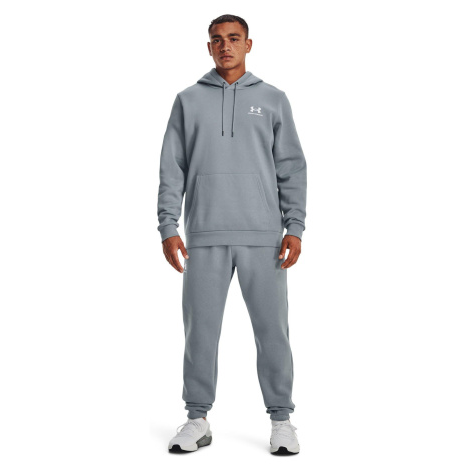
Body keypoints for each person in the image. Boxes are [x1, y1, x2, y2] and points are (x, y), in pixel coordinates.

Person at [157, 14, 307, 455]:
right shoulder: (187, 100)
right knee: (200, 333)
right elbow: (172, 167)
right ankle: (197, 419)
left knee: (273, 332)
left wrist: (295, 226)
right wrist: (168, 225)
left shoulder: (274, 99)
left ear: (248, 45)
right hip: (203, 234)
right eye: (217, 40)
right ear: (209, 47)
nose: (226, 46)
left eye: (234, 38)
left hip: (264, 236)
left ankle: (281, 420)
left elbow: (292, 167)